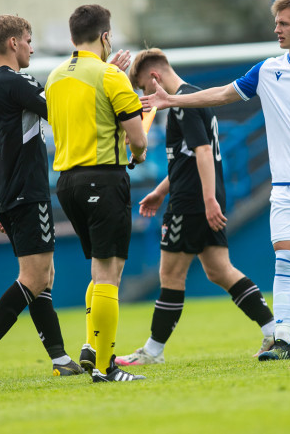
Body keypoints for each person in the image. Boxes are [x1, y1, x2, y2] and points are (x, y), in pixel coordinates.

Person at [142, 0, 290, 361]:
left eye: (283, 23)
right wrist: (174, 101)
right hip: (285, 188)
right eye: (276, 22)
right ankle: (282, 340)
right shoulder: (267, 70)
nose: (276, 29)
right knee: (284, 263)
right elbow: (222, 94)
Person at [115, 48, 276, 366]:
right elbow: (187, 159)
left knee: (170, 274)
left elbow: (203, 152)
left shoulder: (180, 105)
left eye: (145, 89)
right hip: (201, 196)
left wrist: (207, 200)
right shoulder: (194, 98)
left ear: (155, 77)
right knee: (219, 270)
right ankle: (274, 331)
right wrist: (161, 191)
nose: (146, 98)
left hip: (191, 202)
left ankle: (153, 351)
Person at [0, 15, 83, 382]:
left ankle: (60, 358)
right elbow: (61, 112)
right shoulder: (20, 82)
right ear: (13, 43)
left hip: (7, 195)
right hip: (29, 191)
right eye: (28, 40)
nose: (32, 47)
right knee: (34, 276)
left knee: (43, 276)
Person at [45, 4, 148, 383]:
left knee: (103, 269)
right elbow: (138, 140)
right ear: (105, 36)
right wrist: (138, 154)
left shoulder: (54, 77)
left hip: (67, 183)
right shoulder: (110, 76)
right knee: (108, 273)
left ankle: (92, 346)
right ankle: (105, 368)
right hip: (103, 178)